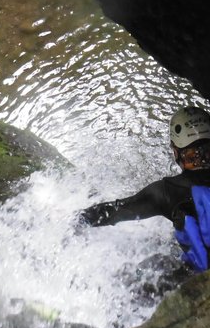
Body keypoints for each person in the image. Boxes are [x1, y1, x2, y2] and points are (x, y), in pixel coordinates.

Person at [78, 106, 210, 272]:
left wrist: (76, 220)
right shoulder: (167, 192)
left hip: (201, 282)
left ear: (175, 151)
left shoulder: (167, 192)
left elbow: (113, 212)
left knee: (155, 265)